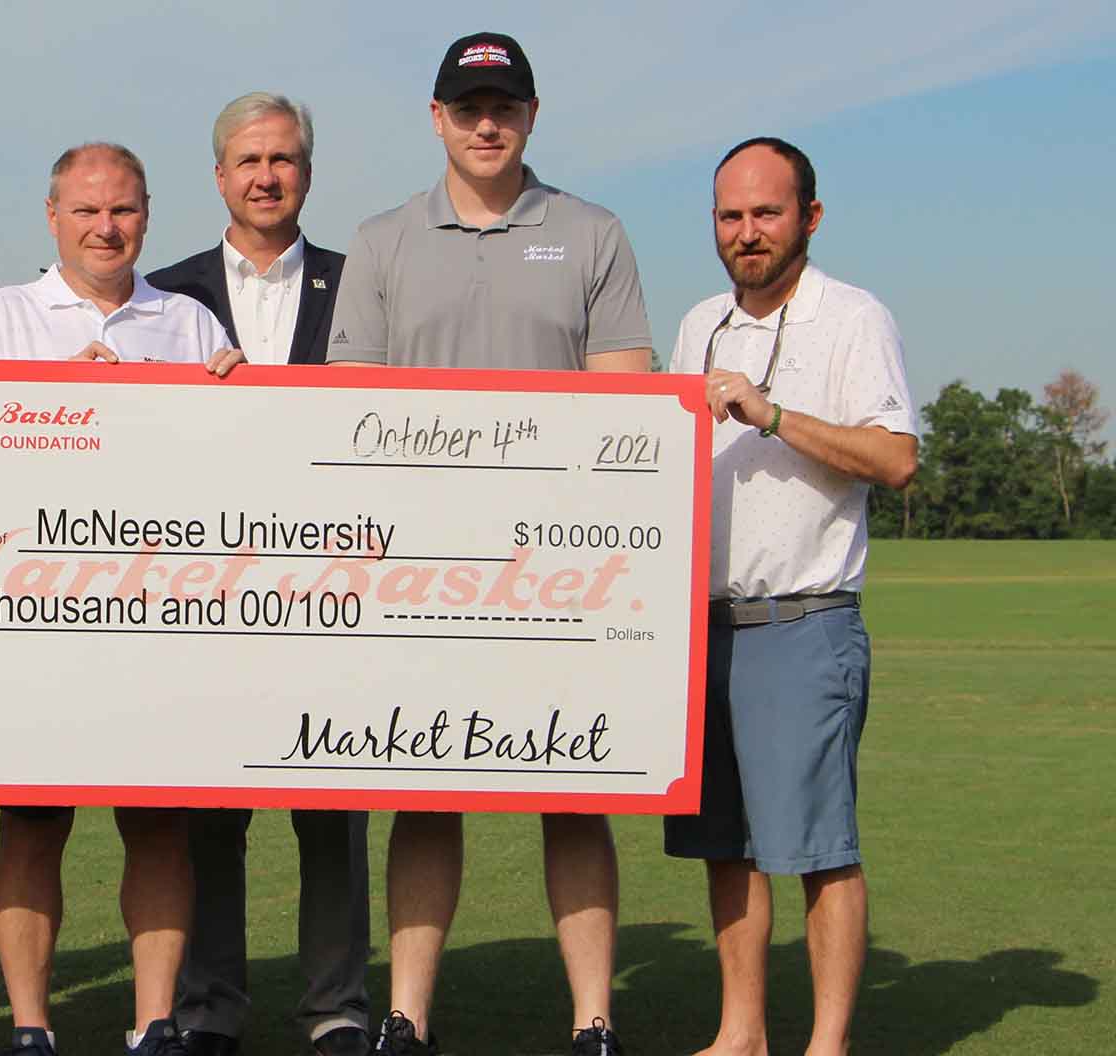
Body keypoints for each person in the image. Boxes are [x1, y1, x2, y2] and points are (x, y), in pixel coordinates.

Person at [325, 33, 651, 1056]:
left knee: (573, 792)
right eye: (467, 105)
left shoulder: (591, 232)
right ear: (436, 118)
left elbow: (626, 398)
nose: (485, 121)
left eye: (503, 103)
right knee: (426, 791)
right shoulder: (381, 241)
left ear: (532, 114)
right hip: (419, 573)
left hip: (560, 572)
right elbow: (349, 415)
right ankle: (406, 1016)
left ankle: (593, 1017)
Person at [0, 141, 241, 1056]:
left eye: (121, 210)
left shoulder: (190, 323)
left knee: (158, 828)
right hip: (34, 623)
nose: (104, 228)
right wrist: (49, 401)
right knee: (33, 826)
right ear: (52, 217)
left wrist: (241, 400)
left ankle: (152, 1022)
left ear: (147, 215)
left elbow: (229, 472)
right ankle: (31, 1027)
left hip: (159, 622)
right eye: (85, 211)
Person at [665, 136, 917, 1056]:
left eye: (766, 213)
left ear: (809, 216)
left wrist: (770, 412)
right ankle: (741, 1035)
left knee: (817, 849)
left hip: (804, 621)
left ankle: (828, 1045)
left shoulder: (853, 318)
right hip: (706, 628)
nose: (747, 232)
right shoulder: (697, 326)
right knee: (725, 846)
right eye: (730, 216)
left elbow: (895, 460)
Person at [144, 93, 369, 1056]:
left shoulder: (364, 288)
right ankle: (208, 1009)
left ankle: (337, 1007)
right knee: (209, 816)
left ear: (307, 173)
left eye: (283, 158)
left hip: (336, 591)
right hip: (208, 594)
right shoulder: (167, 292)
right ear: (220, 176)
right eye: (248, 160)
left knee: (333, 813)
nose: (266, 175)